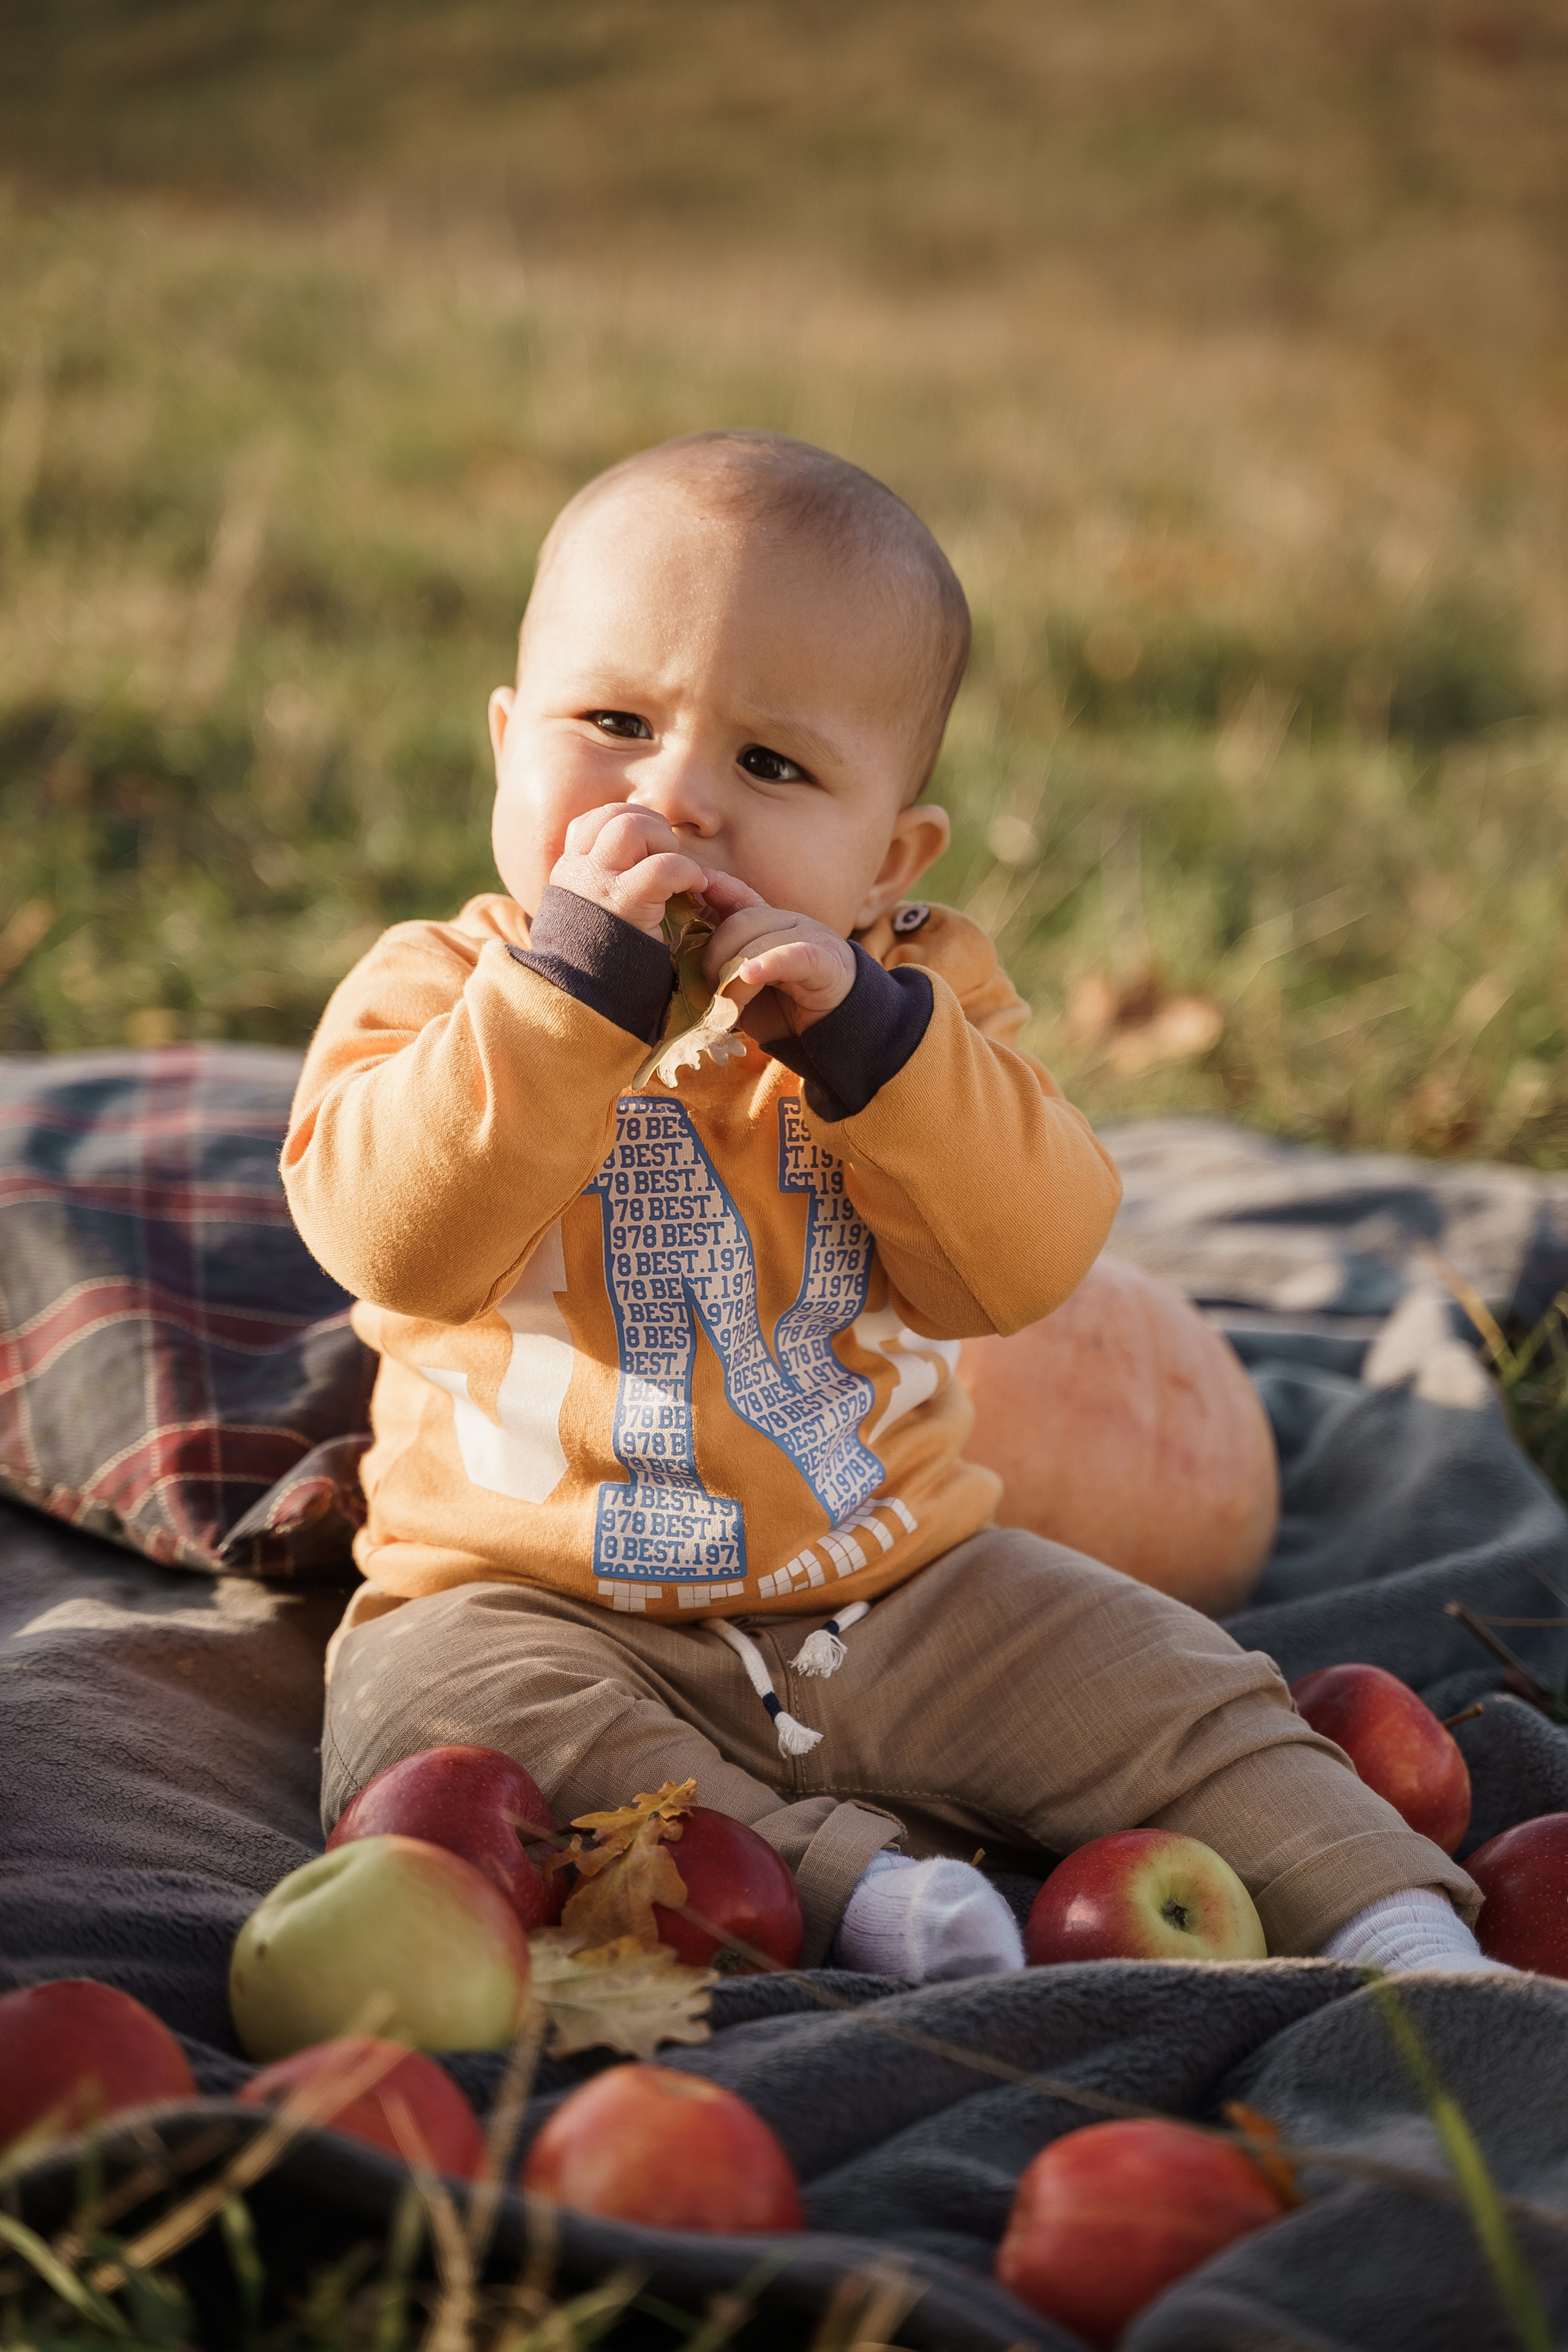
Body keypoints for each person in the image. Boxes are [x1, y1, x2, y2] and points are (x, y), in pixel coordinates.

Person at [284, 430, 1492, 1981]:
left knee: (1160, 1676)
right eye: (612, 722)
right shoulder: (441, 993)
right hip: (525, 1597)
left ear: (884, 861)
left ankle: (1393, 1931)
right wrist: (559, 1002)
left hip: (895, 1580)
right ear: (506, 744)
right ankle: (857, 1894)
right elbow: (388, 1237)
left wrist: (877, 1047)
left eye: (770, 765)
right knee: (437, 1736)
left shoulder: (917, 1010)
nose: (676, 799)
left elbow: (1027, 1261)